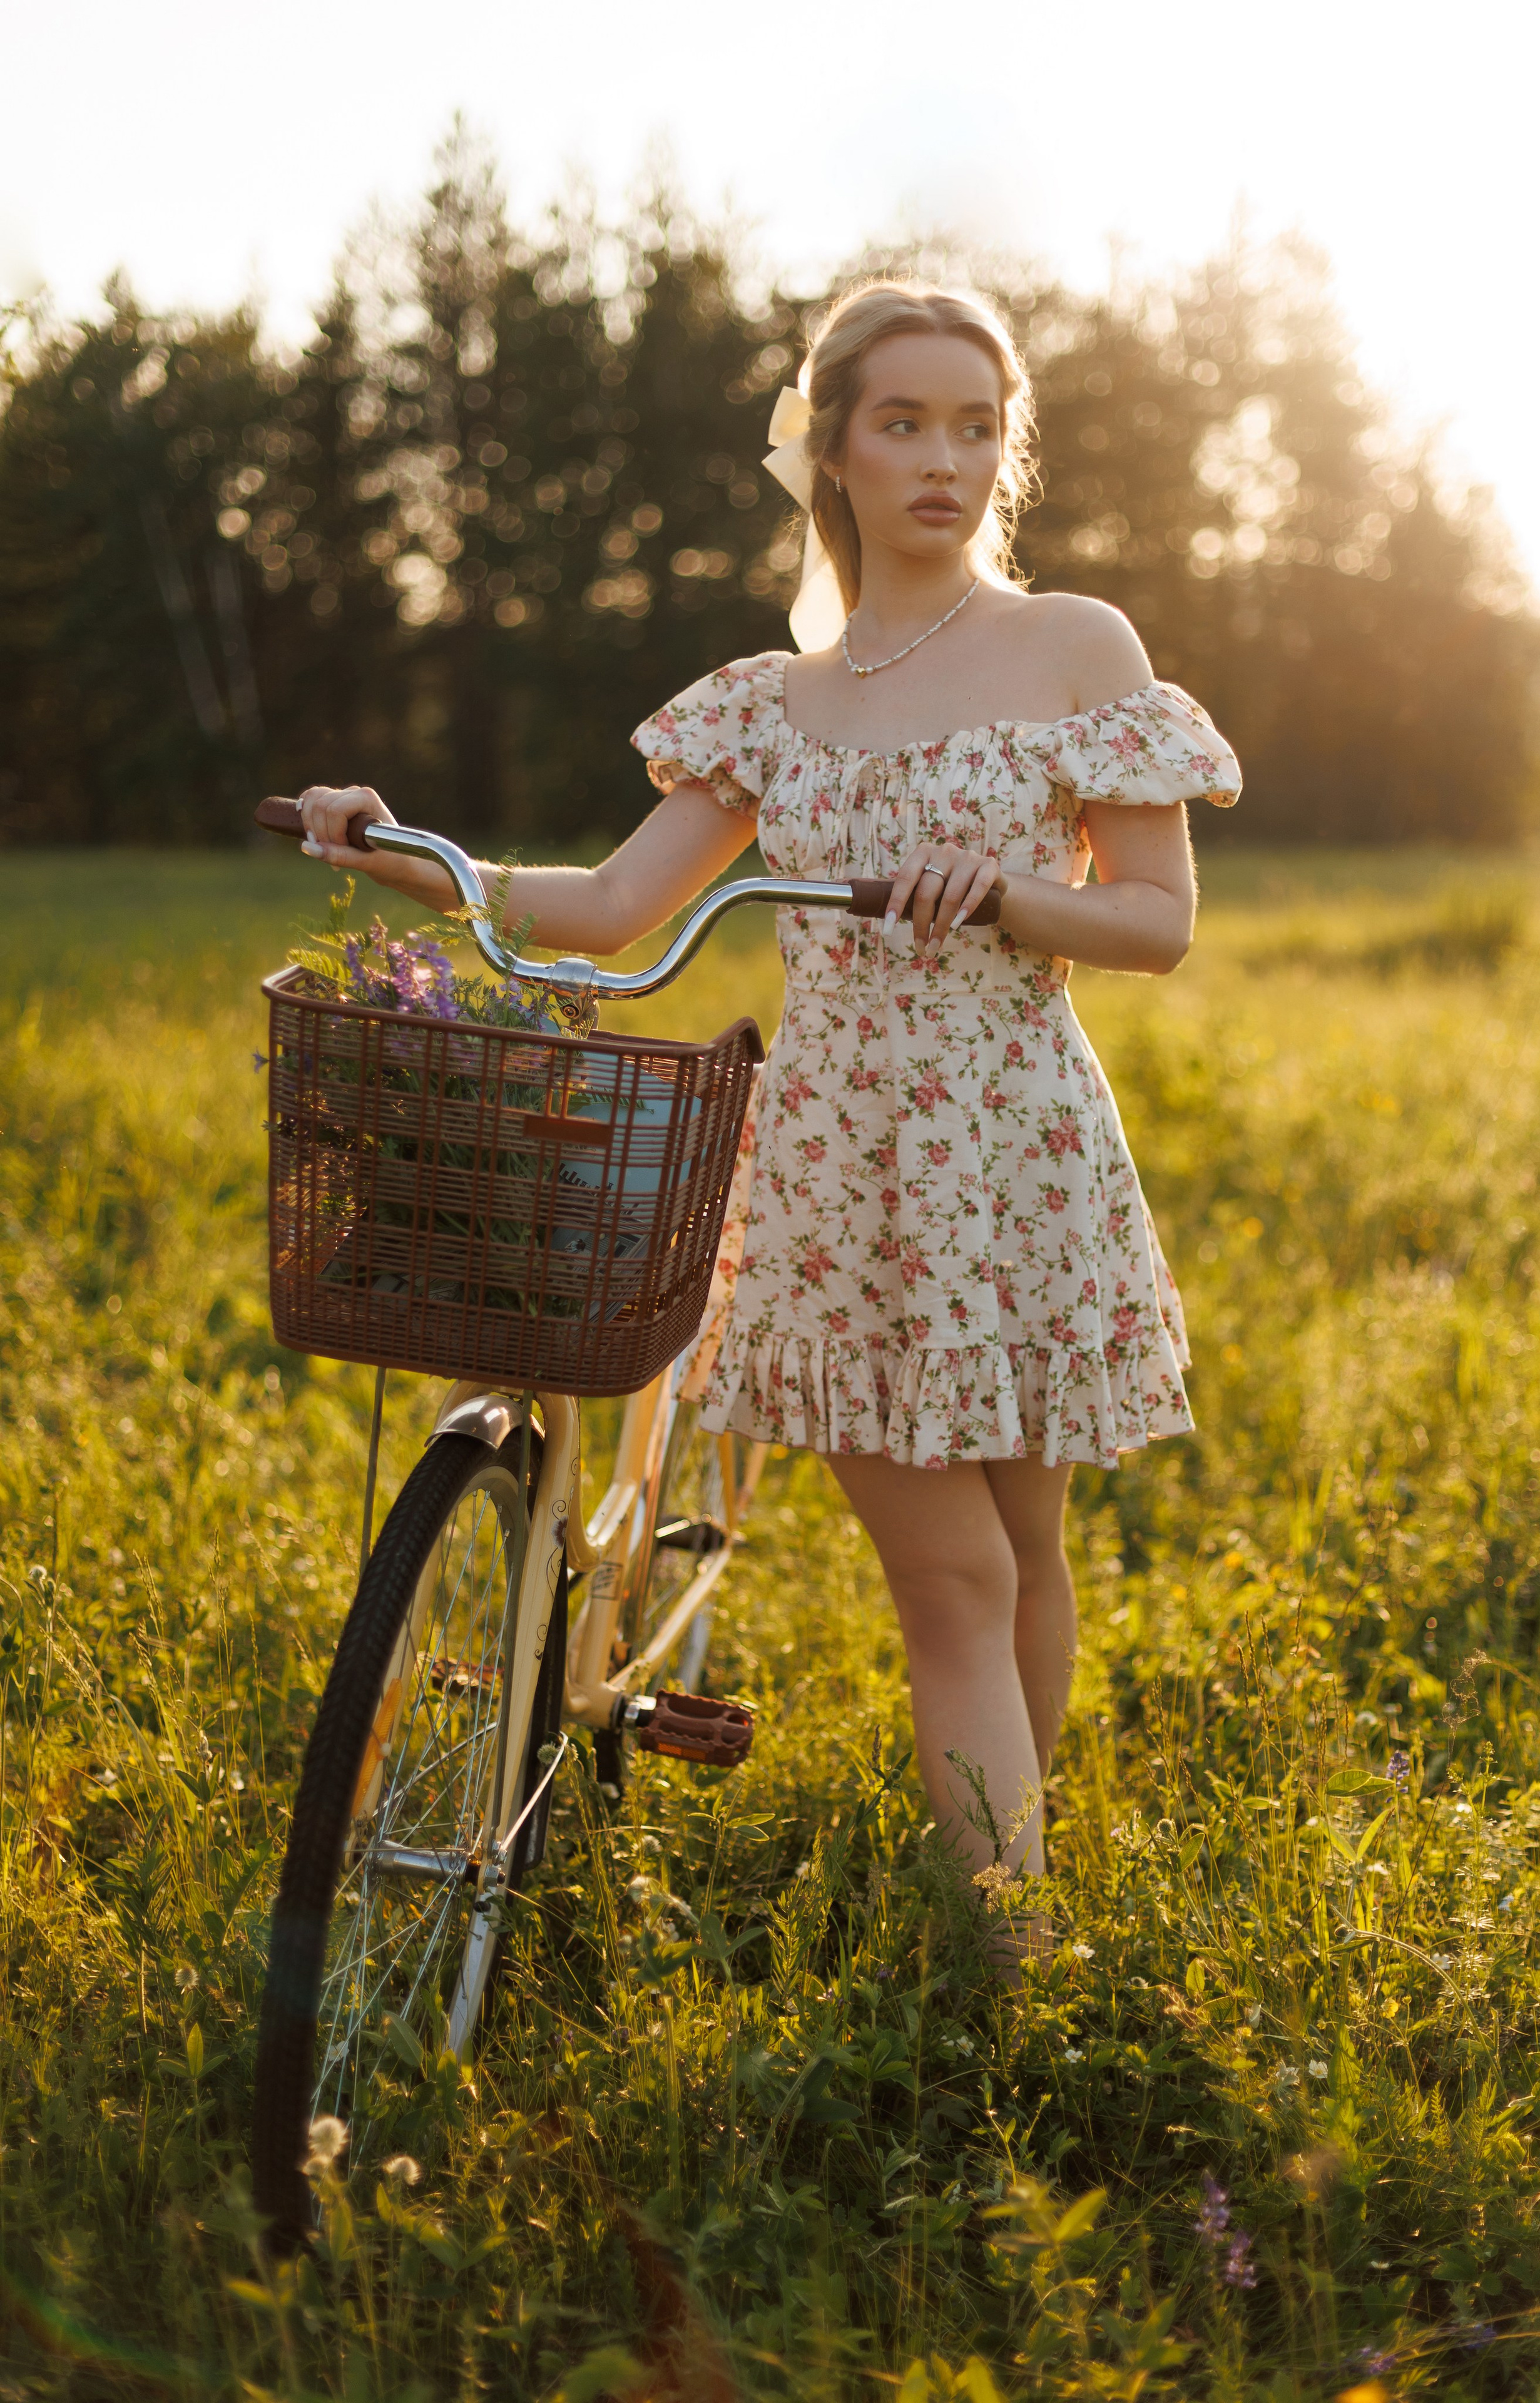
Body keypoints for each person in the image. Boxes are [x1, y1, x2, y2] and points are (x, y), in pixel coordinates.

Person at [297, 280, 1242, 1975]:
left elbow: (1160, 920)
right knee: (950, 1578)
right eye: (905, 424)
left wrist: (1013, 896)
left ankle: (1016, 1907)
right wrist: (408, 855)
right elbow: (602, 900)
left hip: (1019, 1148)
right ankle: (1021, 1966)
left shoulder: (1076, 648)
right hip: (840, 1168)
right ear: (834, 450)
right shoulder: (773, 699)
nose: (945, 460)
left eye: (976, 425)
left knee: (1028, 1551)